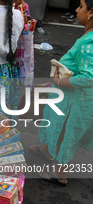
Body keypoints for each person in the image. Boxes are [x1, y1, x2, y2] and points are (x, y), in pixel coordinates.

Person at [31, 0, 93, 186]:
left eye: (81, 6)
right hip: (72, 99)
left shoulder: (89, 42)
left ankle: (59, 173)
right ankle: (47, 150)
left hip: (76, 102)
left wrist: (58, 81)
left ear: (91, 12)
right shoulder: (88, 36)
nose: (76, 9)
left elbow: (88, 78)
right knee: (59, 128)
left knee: (66, 133)